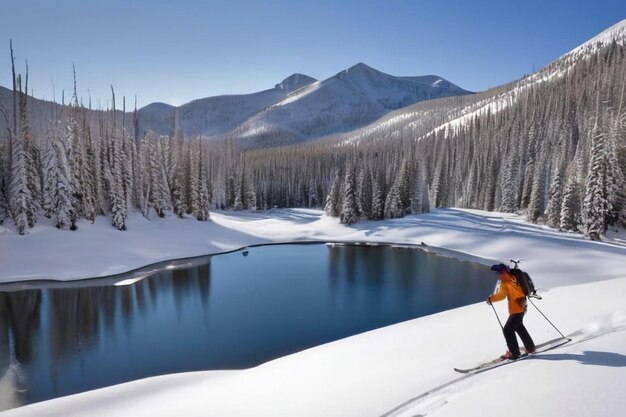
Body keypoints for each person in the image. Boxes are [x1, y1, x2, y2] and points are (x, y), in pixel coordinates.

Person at [487, 263, 536, 360]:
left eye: (498, 273)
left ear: (503, 272)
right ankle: (530, 347)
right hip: (521, 307)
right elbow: (504, 295)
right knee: (518, 327)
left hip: (517, 309)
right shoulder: (513, 277)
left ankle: (514, 353)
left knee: (508, 330)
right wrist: (492, 299)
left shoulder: (507, 282)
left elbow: (502, 295)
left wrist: (491, 299)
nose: (498, 276)